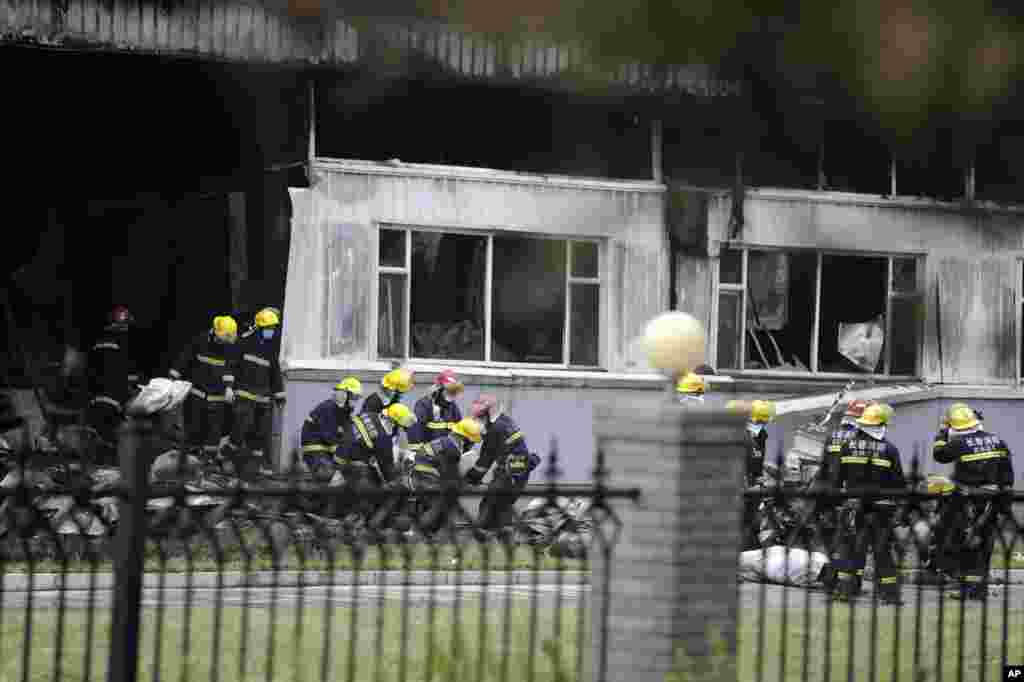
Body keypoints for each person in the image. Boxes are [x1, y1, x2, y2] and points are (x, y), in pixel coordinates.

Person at [932, 404, 1014, 600]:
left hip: (969, 502)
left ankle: (966, 588)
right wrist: (1004, 504)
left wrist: (942, 433)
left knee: (966, 544)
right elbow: (1008, 476)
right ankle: (979, 590)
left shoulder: (959, 443)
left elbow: (939, 455)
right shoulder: (998, 440)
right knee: (985, 545)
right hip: (994, 502)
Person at [829, 402, 906, 604]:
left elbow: (836, 480)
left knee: (852, 549)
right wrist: (898, 509)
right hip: (881, 510)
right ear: (881, 425)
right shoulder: (890, 449)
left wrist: (841, 503)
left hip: (854, 508)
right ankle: (890, 594)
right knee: (882, 552)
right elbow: (899, 484)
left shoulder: (847, 446)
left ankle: (845, 590)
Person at [465, 395, 541, 533]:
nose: (478, 421)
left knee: (489, 508)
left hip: (508, 474)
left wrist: (471, 477)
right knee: (501, 508)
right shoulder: (505, 421)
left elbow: (485, 461)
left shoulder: (495, 429)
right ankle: (504, 535)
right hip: (518, 473)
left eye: (480, 417)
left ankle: (488, 534)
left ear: (489, 415)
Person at [225, 308, 285, 477]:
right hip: (244, 395)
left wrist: (280, 395)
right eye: (268, 328)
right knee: (240, 427)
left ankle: (255, 466)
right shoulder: (244, 343)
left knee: (260, 433)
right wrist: (228, 387)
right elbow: (231, 365)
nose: (271, 332)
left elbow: (275, 374)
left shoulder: (270, 350)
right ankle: (227, 458)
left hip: (263, 398)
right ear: (259, 328)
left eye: (273, 329)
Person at [169, 315, 238, 463]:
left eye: (228, 339)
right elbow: (184, 359)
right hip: (197, 394)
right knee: (193, 428)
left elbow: (229, 369)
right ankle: (188, 461)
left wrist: (229, 388)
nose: (225, 342)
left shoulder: (229, 347)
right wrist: (172, 378)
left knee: (214, 432)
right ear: (216, 332)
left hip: (217, 397)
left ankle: (208, 462)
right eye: (223, 339)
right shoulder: (200, 341)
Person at [341, 403, 416, 529]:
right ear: (394, 423)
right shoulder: (383, 438)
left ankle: (356, 518)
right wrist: (400, 480)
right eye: (401, 427)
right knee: (393, 492)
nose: (402, 430)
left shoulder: (369, 416)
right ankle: (372, 524)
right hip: (358, 472)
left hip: (342, 463)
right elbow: (387, 471)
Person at [86, 306, 144, 462]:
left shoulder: (98, 340)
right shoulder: (124, 340)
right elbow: (128, 368)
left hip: (96, 395)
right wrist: (135, 388)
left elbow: (90, 368)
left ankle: (100, 454)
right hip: (116, 394)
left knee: (100, 428)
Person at [412, 417, 483, 536]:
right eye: (471, 442)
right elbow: (451, 477)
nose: (471, 446)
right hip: (426, 479)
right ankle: (423, 530)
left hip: (419, 475)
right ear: (463, 439)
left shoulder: (444, 441)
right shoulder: (452, 450)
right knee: (446, 499)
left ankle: (428, 529)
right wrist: (467, 482)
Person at [300, 377, 363, 479]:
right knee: (330, 476)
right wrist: (345, 453)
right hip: (316, 453)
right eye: (354, 397)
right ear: (344, 395)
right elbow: (329, 438)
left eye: (357, 397)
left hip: (326, 452)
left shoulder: (343, 411)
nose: (355, 400)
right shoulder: (329, 408)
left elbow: (347, 436)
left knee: (353, 472)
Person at [407, 370, 464, 452]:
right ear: (439, 389)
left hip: (446, 451)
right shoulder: (424, 404)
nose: (452, 395)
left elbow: (459, 427)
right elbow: (416, 428)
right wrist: (416, 452)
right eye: (450, 391)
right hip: (428, 452)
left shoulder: (452, 406)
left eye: (454, 392)